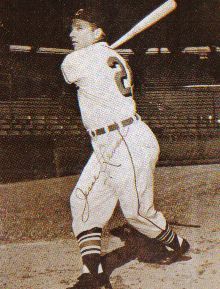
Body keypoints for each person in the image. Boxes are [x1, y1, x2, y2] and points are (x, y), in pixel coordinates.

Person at [61, 8, 190, 289]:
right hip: (107, 142)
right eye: (72, 28)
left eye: (81, 28)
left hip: (127, 140)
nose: (72, 34)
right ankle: (92, 275)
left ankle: (178, 244)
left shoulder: (75, 61)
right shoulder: (112, 56)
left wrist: (90, 55)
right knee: (82, 200)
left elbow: (71, 74)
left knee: (137, 214)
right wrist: (95, 52)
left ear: (98, 33)